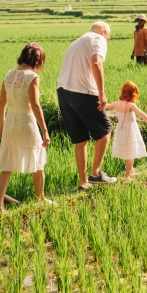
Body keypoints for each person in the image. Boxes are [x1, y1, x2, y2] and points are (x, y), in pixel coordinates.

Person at [57, 21, 116, 189]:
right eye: (108, 37)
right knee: (105, 130)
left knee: (81, 139)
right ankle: (96, 173)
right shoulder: (98, 39)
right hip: (82, 91)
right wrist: (101, 93)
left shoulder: (78, 41)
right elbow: (96, 63)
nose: (107, 40)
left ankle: (83, 181)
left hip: (63, 92)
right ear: (104, 32)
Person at [0, 42, 52, 213]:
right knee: (39, 162)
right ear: (38, 60)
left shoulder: (8, 75)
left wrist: (2, 124)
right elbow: (35, 105)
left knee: (6, 168)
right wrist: (45, 130)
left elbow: (0, 104)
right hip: (26, 122)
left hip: (11, 121)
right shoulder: (32, 77)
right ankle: (40, 198)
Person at [105, 81, 147, 178]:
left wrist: (101, 100)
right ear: (133, 94)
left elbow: (106, 107)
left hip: (121, 129)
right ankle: (127, 176)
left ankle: (131, 171)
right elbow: (142, 114)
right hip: (130, 130)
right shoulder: (131, 105)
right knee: (131, 154)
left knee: (128, 149)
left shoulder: (116, 104)